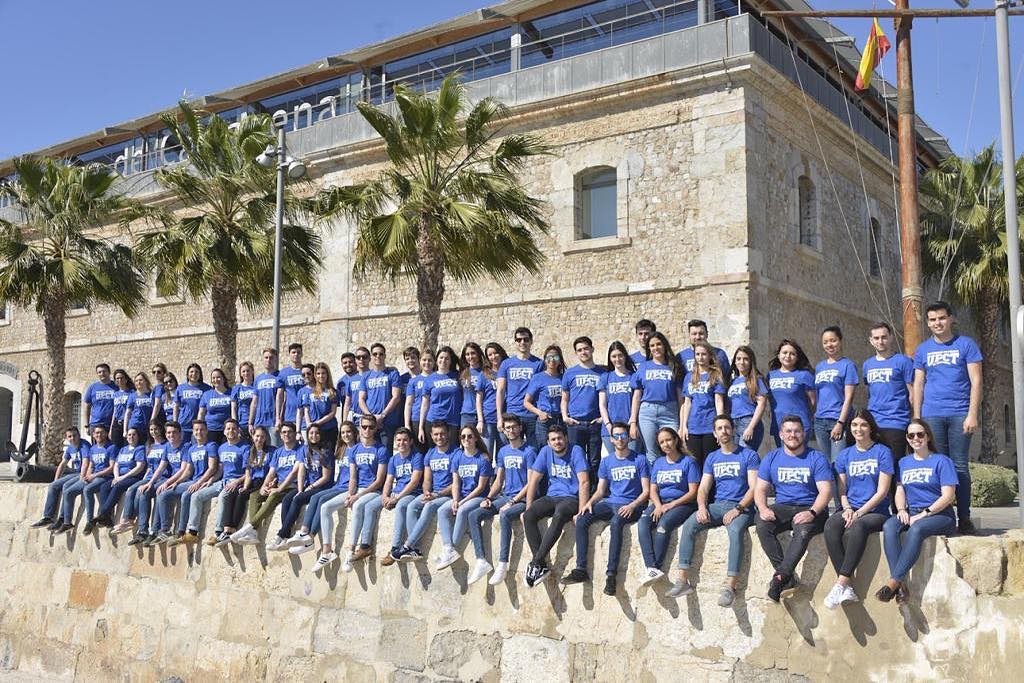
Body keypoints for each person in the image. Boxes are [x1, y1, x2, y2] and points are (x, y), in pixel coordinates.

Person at [669, 416, 759, 603]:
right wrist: (702, 507)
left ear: (733, 430)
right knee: (690, 524)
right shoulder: (712, 457)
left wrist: (738, 508)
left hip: (742, 507)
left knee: (735, 530)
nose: (724, 431)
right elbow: (703, 488)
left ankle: (730, 586)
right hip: (717, 505)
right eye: (720, 428)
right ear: (714, 433)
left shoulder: (748, 455)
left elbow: (754, 487)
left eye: (727, 427)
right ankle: (682, 579)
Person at [912, 301, 982, 534]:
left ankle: (964, 517)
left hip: (960, 413)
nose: (937, 323)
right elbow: (919, 384)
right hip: (932, 415)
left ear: (951, 318)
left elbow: (977, 381)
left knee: (959, 466)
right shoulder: (923, 350)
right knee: (938, 466)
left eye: (941, 318)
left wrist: (972, 414)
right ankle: (942, 516)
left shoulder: (966, 345)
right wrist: (917, 417)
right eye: (932, 320)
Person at [562, 422, 649, 595]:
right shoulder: (607, 461)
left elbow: (646, 491)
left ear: (628, 437)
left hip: (631, 504)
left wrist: (632, 505)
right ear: (611, 439)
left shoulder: (640, 459)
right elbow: (601, 491)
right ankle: (581, 569)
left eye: (623, 435)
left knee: (617, 522)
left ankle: (611, 574)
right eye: (616, 435)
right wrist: (589, 503)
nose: (619, 439)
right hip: (610, 502)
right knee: (582, 519)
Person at [877, 419, 958, 603]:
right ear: (907, 438)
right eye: (911, 435)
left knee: (917, 529)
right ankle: (901, 585)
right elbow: (900, 489)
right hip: (912, 511)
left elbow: (948, 496)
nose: (916, 438)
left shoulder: (942, 461)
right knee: (890, 526)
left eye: (920, 434)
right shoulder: (904, 463)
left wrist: (924, 514)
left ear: (928, 436)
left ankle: (893, 581)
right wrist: (902, 509)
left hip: (940, 515)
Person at [753, 416, 832, 601]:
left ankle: (780, 577)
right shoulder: (772, 457)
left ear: (803, 434)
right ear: (781, 434)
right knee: (761, 523)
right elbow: (760, 489)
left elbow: (826, 492)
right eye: (788, 431)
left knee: (803, 531)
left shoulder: (816, 457)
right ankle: (787, 578)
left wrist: (812, 512)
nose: (792, 435)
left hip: (812, 507)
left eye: (797, 431)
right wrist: (763, 508)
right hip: (784, 507)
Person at [823, 410, 894, 609]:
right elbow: (842, 489)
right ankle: (847, 588)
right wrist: (846, 508)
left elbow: (882, 491)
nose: (858, 429)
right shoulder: (845, 455)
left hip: (876, 511)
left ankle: (841, 583)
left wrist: (859, 512)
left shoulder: (882, 452)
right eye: (854, 425)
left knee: (859, 526)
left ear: (870, 427)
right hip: (850, 508)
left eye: (863, 425)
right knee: (831, 525)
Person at [311, 416, 387, 571]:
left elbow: (379, 481)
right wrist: (350, 495)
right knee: (325, 507)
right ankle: (326, 551)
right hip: (356, 490)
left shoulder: (381, 449)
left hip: (373, 491)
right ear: (360, 428)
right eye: (364, 427)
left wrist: (356, 496)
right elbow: (353, 478)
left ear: (376, 428)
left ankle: (351, 551)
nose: (367, 430)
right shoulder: (354, 450)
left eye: (371, 427)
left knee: (358, 505)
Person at [466, 415, 536, 584]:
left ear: (520, 427)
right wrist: (489, 497)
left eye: (513, 427)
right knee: (474, 515)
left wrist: (513, 502)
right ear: (503, 431)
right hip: (504, 496)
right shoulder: (503, 451)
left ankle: (502, 564)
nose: (510, 430)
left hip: (521, 499)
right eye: (507, 428)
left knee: (505, 516)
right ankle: (481, 560)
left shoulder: (530, 451)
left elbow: (531, 482)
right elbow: (498, 480)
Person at [522, 424, 590, 587]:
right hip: (552, 496)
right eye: (553, 439)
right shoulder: (545, 452)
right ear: (548, 442)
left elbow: (584, 481)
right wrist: (528, 507)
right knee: (528, 516)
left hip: (571, 498)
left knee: (559, 514)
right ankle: (541, 565)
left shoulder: (576, 451)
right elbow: (534, 481)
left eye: (560, 438)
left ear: (566, 438)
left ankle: (536, 562)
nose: (557, 442)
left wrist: (580, 511)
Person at [636, 426, 701, 587]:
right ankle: (652, 567)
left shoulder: (689, 462)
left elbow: (693, 492)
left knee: (663, 525)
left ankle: (654, 567)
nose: (666, 444)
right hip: (661, 502)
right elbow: (653, 489)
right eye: (662, 442)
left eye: (668, 440)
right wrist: (658, 506)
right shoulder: (658, 463)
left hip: (683, 503)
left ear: (676, 440)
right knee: (643, 522)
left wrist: (670, 505)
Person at [393, 422, 461, 563]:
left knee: (429, 507)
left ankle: (408, 545)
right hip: (434, 493)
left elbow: (456, 482)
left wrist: (438, 494)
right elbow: (427, 479)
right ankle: (414, 550)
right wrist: (426, 492)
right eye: (436, 434)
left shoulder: (456, 453)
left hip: (449, 495)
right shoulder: (430, 453)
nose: (439, 437)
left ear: (448, 433)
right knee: (412, 506)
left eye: (442, 433)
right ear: (431, 435)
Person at [285, 422, 356, 555]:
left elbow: (334, 476)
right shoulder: (341, 449)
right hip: (339, 484)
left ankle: (309, 538)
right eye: (343, 432)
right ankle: (303, 533)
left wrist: (352, 494)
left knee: (320, 499)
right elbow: (300, 470)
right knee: (310, 498)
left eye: (349, 432)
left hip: (345, 487)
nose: (346, 435)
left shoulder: (353, 449)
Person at [231, 422, 302, 545]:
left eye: (290, 432)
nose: (287, 434)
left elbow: (295, 473)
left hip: (292, 485)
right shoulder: (279, 452)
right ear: (280, 435)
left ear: (295, 434)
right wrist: (265, 486)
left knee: (273, 496)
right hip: (278, 484)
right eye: (284, 432)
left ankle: (251, 526)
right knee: (255, 496)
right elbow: (271, 472)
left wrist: (278, 488)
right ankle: (253, 533)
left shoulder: (300, 449)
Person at [434, 425, 493, 571]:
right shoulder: (458, 457)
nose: (466, 439)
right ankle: (448, 548)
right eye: (463, 436)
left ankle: (452, 548)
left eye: (470, 436)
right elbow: (456, 483)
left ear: (476, 438)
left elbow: (480, 487)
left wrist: (462, 502)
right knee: (442, 510)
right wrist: (455, 500)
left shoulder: (483, 459)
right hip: (461, 496)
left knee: (462, 510)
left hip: (478, 497)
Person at [271, 424, 336, 550]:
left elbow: (326, 477)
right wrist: (300, 489)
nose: (314, 436)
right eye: (311, 433)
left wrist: (310, 487)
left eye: (317, 433)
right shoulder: (304, 450)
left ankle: (281, 534)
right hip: (307, 486)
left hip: (322, 487)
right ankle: (286, 536)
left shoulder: (325, 451)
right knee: (287, 499)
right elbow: (301, 471)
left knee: (297, 500)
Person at [180, 419, 244, 545]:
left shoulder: (244, 447)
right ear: (224, 432)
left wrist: (237, 481)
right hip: (222, 481)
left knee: (222, 497)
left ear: (238, 430)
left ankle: (219, 532)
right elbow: (220, 469)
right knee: (196, 496)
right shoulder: (222, 448)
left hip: (236, 481)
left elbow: (248, 472)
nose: (231, 431)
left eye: (233, 428)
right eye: (228, 429)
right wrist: (211, 480)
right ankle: (193, 532)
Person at [862, 322, 914, 461]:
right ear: (871, 341)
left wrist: (915, 420)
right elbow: (871, 392)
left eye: (884, 337)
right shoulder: (867, 365)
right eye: (877, 338)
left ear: (891, 337)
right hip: (872, 424)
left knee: (894, 467)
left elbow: (913, 394)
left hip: (896, 422)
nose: (881, 341)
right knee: (875, 468)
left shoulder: (903, 362)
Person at [629, 331, 684, 464]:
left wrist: (682, 423)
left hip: (669, 411)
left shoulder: (674, 366)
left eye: (658, 344)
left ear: (664, 346)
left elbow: (680, 397)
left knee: (673, 448)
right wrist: (633, 421)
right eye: (652, 346)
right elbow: (637, 395)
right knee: (652, 452)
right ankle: (655, 483)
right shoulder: (643, 367)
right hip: (647, 412)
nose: (655, 348)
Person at [813, 327, 859, 481]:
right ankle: (830, 501)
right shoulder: (819, 367)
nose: (829, 344)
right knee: (826, 465)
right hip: (820, 422)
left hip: (838, 420)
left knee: (838, 464)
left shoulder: (847, 365)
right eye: (825, 342)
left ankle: (842, 503)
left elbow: (849, 397)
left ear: (840, 341)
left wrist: (840, 422)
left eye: (833, 340)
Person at [165, 420, 220, 545]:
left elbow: (212, 468)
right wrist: (176, 482)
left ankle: (182, 532)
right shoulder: (192, 449)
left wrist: (199, 483)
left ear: (206, 431)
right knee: (165, 493)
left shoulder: (211, 446)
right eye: (196, 430)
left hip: (205, 481)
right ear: (193, 432)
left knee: (186, 495)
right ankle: (162, 530)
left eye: (201, 429)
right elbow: (188, 471)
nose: (198, 432)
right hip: (193, 481)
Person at [134, 421, 188, 546]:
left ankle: (159, 530)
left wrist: (168, 482)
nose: (171, 435)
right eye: (169, 432)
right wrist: (150, 483)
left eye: (174, 432)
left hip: (179, 479)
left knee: (161, 493)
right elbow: (161, 467)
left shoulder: (185, 447)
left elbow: (183, 470)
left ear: (180, 433)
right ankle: (143, 530)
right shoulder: (167, 447)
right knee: (144, 491)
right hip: (169, 480)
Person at [377, 427, 424, 566]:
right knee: (370, 506)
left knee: (403, 505)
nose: (401, 443)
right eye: (398, 440)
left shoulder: (417, 456)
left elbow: (414, 482)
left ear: (410, 442)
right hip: (396, 493)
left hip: (412, 493)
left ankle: (395, 548)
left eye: (404, 440)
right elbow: (388, 480)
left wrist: (397, 498)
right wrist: (385, 496)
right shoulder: (393, 459)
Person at [561, 336, 605, 482]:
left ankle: (593, 491)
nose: (583, 352)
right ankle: (577, 490)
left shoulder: (602, 372)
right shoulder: (570, 373)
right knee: (576, 459)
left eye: (586, 348)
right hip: (575, 424)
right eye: (579, 350)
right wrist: (565, 417)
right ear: (576, 353)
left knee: (594, 460)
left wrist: (602, 418)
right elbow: (564, 398)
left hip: (595, 423)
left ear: (592, 349)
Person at [113, 422, 170, 536]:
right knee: (131, 489)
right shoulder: (149, 446)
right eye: (151, 429)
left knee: (141, 491)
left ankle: (136, 524)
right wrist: (144, 479)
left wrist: (149, 482)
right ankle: (127, 520)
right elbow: (149, 466)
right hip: (149, 476)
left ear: (161, 430)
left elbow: (162, 466)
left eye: (156, 429)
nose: (154, 432)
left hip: (161, 477)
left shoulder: (166, 445)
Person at [222, 426, 274, 545]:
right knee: (233, 494)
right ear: (253, 436)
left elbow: (273, 471)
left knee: (242, 497)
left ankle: (233, 528)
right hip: (253, 482)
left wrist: (270, 483)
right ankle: (227, 528)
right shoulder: (250, 451)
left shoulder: (271, 451)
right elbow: (248, 473)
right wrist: (245, 486)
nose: (259, 439)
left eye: (262, 436)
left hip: (264, 481)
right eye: (257, 436)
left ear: (266, 438)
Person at [32, 427, 90, 530]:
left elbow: (86, 462)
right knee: (53, 485)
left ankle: (62, 519)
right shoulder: (70, 448)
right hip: (74, 473)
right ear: (67, 438)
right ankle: (48, 517)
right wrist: (56, 479)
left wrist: (82, 478)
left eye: (74, 435)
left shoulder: (84, 445)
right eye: (70, 436)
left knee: (66, 486)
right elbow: (62, 464)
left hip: (83, 473)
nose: (72, 438)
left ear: (79, 435)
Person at [496, 327, 544, 450]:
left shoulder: (539, 364)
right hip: (512, 413)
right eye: (519, 340)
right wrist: (499, 417)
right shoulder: (506, 364)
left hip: (532, 415)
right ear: (515, 342)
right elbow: (500, 391)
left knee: (533, 451)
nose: (522, 342)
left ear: (531, 341)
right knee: (512, 451)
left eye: (526, 339)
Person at [680, 341, 727, 464]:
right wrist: (684, 426)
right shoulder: (689, 377)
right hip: (693, 426)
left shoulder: (715, 375)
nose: (700, 357)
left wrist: (719, 425)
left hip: (709, 425)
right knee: (694, 462)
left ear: (710, 356)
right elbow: (687, 402)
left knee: (709, 462)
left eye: (704, 354)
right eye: (697, 354)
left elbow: (718, 401)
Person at [92, 427, 147, 528]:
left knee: (117, 487)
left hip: (133, 477)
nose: (131, 437)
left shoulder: (140, 449)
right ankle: (106, 517)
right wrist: (116, 477)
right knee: (104, 487)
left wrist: (123, 478)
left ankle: (102, 513)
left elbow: (140, 467)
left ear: (138, 436)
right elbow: (116, 465)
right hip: (120, 477)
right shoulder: (123, 449)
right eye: (129, 435)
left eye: (134, 435)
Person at [766, 340, 816, 448]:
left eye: (792, 353)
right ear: (778, 355)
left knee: (799, 459)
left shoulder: (804, 375)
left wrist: (809, 417)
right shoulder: (770, 376)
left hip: (799, 425)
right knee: (783, 459)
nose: (788, 356)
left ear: (797, 357)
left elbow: (813, 401)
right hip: (778, 424)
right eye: (784, 352)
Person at [75, 425, 118, 534]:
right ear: (93, 435)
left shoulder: (111, 447)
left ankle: (90, 521)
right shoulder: (93, 449)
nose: (99, 435)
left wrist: (94, 476)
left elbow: (111, 467)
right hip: (94, 477)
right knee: (71, 489)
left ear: (106, 433)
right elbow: (91, 465)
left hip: (105, 477)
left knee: (87, 490)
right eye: (97, 433)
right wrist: (87, 476)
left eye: (101, 432)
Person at [524, 345, 566, 450]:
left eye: (556, 357)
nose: (552, 360)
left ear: (560, 360)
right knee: (544, 450)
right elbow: (526, 402)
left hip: (561, 419)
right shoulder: (538, 378)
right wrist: (540, 413)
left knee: (562, 449)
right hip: (545, 420)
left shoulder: (564, 377)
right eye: (549, 357)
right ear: (545, 360)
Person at [598, 341, 637, 455]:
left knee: (631, 460)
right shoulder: (605, 377)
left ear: (625, 356)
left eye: (620, 355)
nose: (617, 359)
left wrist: (633, 421)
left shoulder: (634, 376)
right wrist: (608, 424)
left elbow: (637, 401)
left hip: (629, 427)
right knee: (614, 462)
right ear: (610, 358)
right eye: (614, 356)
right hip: (610, 429)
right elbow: (602, 404)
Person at [420, 346, 463, 447]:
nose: (443, 360)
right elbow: (425, 404)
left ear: (450, 361)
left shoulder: (458, 376)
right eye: (441, 357)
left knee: (453, 452)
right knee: (435, 453)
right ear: (437, 359)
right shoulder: (429, 379)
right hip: (433, 421)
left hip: (453, 421)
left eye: (447, 358)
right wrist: (421, 427)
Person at [728, 346, 768, 451]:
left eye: (746, 359)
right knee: (737, 458)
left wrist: (751, 427)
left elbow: (762, 403)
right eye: (738, 359)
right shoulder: (733, 381)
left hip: (748, 421)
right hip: (734, 422)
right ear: (735, 362)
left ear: (751, 362)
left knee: (746, 457)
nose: (742, 362)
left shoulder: (756, 379)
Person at [304, 362, 340, 456]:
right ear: (315, 375)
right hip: (313, 430)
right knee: (314, 456)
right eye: (318, 373)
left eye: (323, 373)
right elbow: (306, 410)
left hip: (329, 428)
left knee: (327, 456)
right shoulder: (310, 391)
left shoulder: (333, 392)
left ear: (327, 374)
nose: (321, 376)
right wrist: (309, 425)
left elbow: (333, 412)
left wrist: (318, 423)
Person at [405, 349, 435, 453]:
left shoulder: (438, 378)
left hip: (433, 418)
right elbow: (408, 403)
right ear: (420, 361)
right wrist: (407, 424)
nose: (427, 363)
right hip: (417, 419)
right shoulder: (414, 381)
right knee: (419, 451)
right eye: (424, 360)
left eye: (430, 360)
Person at [252, 348, 283, 445]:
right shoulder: (258, 379)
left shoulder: (280, 376)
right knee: (259, 450)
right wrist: (250, 422)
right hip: (259, 421)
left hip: (273, 421)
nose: (268, 360)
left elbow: (281, 399)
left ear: (275, 359)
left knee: (275, 449)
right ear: (262, 359)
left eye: (271, 358)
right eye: (266, 357)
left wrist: (278, 419)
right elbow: (254, 401)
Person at [480, 343, 506, 454]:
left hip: (505, 417)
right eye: (490, 355)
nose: (493, 357)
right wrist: (480, 420)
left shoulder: (508, 370)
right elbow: (479, 398)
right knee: (487, 453)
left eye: (495, 353)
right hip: (489, 417)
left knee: (503, 452)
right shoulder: (485, 373)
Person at [175, 364, 211, 444]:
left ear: (200, 374)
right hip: (183, 425)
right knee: (183, 449)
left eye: (196, 372)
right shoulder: (180, 388)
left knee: (197, 449)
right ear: (187, 374)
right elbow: (176, 406)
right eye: (191, 372)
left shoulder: (207, 388)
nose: (194, 374)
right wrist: (175, 423)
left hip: (199, 427)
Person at [198, 368, 233, 445]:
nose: (216, 380)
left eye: (218, 377)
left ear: (224, 379)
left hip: (227, 430)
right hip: (211, 429)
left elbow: (234, 410)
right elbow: (201, 413)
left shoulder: (231, 392)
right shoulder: (207, 394)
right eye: (213, 378)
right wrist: (199, 428)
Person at [458, 342, 486, 436]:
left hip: (484, 414)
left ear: (478, 353)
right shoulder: (463, 373)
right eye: (467, 354)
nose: (470, 356)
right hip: (467, 415)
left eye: (473, 353)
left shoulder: (486, 372)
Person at [278, 343, 307, 432]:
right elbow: (280, 396)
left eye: (298, 352)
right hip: (290, 415)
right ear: (289, 354)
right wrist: (279, 417)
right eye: (293, 352)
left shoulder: (307, 371)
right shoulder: (283, 373)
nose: (296, 355)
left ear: (302, 354)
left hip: (306, 415)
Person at [83, 363, 118, 433]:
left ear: (109, 372)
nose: (102, 374)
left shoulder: (116, 386)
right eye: (99, 372)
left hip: (112, 424)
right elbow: (87, 406)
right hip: (96, 424)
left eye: (104, 371)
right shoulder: (92, 387)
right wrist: (86, 425)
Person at [123, 372, 158, 438]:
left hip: (148, 426)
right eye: (136, 381)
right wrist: (125, 430)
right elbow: (128, 413)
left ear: (146, 381)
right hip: (135, 425)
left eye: (140, 380)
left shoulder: (152, 394)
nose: (138, 382)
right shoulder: (132, 395)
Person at [231, 361, 257, 444]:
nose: (246, 373)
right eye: (243, 371)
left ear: (252, 371)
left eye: (248, 371)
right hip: (242, 423)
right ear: (240, 374)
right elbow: (234, 407)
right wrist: (235, 425)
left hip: (256, 422)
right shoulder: (237, 388)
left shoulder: (256, 386)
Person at [342, 347, 370, 422]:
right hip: (355, 420)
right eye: (358, 357)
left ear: (369, 359)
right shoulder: (351, 380)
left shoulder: (373, 376)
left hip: (370, 420)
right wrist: (344, 422)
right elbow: (347, 403)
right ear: (355, 360)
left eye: (364, 357)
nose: (361, 360)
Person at [108, 369, 132, 447]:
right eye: (117, 378)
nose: (119, 380)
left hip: (127, 423)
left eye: (121, 378)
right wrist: (111, 429)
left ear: (126, 379)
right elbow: (115, 411)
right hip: (116, 423)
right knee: (115, 447)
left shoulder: (132, 393)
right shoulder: (116, 394)